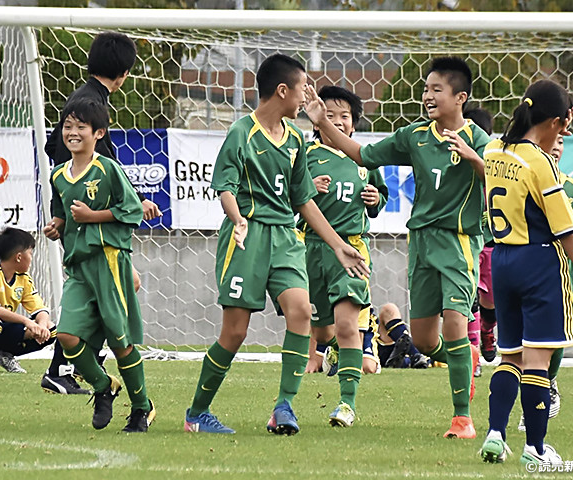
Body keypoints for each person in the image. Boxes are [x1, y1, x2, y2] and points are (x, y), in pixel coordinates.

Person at [183, 54, 369, 435]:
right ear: (283, 90)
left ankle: (283, 405)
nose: (306, 96)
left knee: (301, 309)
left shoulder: (296, 139)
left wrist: (336, 244)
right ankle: (196, 413)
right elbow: (226, 187)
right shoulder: (242, 132)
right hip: (248, 236)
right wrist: (236, 219)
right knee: (235, 332)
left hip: (285, 236)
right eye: (303, 88)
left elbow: (303, 200)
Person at [306, 56, 490, 439]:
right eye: (425, 89)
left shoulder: (480, 141)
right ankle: (464, 357)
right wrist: (323, 122)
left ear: (460, 97)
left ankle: (462, 419)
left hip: (458, 242)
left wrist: (474, 160)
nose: (427, 96)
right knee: (424, 340)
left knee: (455, 322)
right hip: (420, 242)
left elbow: (504, 178)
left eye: (436, 89)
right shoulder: (415, 136)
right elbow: (362, 154)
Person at [479, 80, 573, 466]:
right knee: (537, 363)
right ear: (555, 122)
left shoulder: (494, 149)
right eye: (562, 125)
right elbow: (565, 229)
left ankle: (495, 434)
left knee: (509, 358)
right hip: (539, 263)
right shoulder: (541, 163)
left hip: (502, 261)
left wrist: (557, 119)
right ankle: (536, 449)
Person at [42, 31, 161, 395]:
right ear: (124, 74)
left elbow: (54, 147)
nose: (73, 132)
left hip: (78, 215)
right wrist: (80, 207)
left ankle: (68, 368)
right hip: (82, 219)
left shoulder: (84, 97)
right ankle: (75, 371)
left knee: (117, 289)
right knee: (123, 291)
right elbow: (80, 160)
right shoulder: (90, 105)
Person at [43, 97, 155, 433]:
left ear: (98, 133)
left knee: (121, 342)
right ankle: (103, 385)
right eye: (67, 126)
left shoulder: (108, 169)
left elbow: (133, 210)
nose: (72, 132)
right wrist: (57, 225)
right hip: (78, 267)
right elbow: (62, 210)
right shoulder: (58, 175)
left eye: (80, 127)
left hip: (109, 263)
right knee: (66, 336)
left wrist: (94, 217)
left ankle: (141, 408)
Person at [296, 85, 388, 426]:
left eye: (344, 116)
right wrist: (307, 188)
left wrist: (374, 200)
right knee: (322, 332)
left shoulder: (363, 158)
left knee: (350, 326)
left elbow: (382, 197)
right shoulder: (305, 156)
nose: (337, 121)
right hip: (312, 249)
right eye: (329, 115)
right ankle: (331, 345)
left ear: (353, 124)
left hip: (353, 250)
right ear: (317, 121)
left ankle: (346, 404)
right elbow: (289, 200)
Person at [517, 133, 573, 431]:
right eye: (551, 142)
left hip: (560, 273)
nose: (556, 147)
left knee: (561, 329)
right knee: (524, 343)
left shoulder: (572, 187)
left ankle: (546, 387)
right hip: (524, 270)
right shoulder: (523, 181)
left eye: (562, 144)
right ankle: (526, 404)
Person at [0, 228, 56, 373]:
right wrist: (27, 321)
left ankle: (5, 355)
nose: (31, 258)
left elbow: (40, 309)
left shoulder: (23, 278)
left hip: (3, 325)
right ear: (18, 257)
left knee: (51, 330)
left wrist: (41, 326)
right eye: (30, 253)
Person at [463, 106, 496, 378]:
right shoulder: (456, 166)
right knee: (469, 301)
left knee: (490, 305)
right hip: (469, 241)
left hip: (495, 247)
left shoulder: (494, 166)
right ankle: (472, 354)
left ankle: (487, 331)